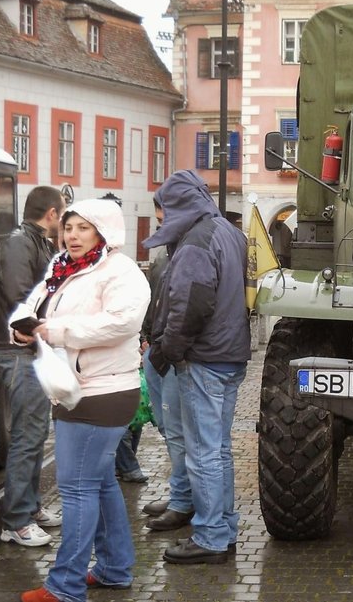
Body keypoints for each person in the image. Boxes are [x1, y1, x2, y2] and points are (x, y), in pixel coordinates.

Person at [11, 199, 151, 602]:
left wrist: (54, 331)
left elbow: (122, 323)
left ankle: (65, 585)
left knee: (75, 490)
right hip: (76, 387)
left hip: (100, 391)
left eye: (82, 228)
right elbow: (35, 308)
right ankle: (114, 568)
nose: (71, 235)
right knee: (101, 484)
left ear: (102, 231)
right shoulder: (64, 268)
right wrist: (27, 329)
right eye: (68, 227)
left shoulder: (120, 271)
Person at [144, 170, 250, 564]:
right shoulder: (228, 231)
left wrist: (168, 351)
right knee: (218, 450)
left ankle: (209, 537)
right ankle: (223, 528)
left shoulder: (195, 242)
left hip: (204, 360)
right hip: (229, 355)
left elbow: (190, 304)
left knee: (204, 452)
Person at [0, 186, 65, 547]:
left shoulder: (33, 241)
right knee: (27, 435)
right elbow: (20, 293)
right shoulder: (21, 243)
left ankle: (29, 507)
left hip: (27, 349)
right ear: (52, 213)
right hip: (19, 351)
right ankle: (17, 519)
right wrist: (36, 331)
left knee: (34, 434)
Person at [141, 200, 195, 531]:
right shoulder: (164, 254)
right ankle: (179, 491)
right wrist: (147, 338)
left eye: (165, 220)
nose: (162, 226)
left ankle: (182, 502)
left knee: (177, 430)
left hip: (175, 354)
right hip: (156, 350)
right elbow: (154, 299)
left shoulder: (191, 252)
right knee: (165, 427)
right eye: (159, 220)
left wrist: (171, 348)